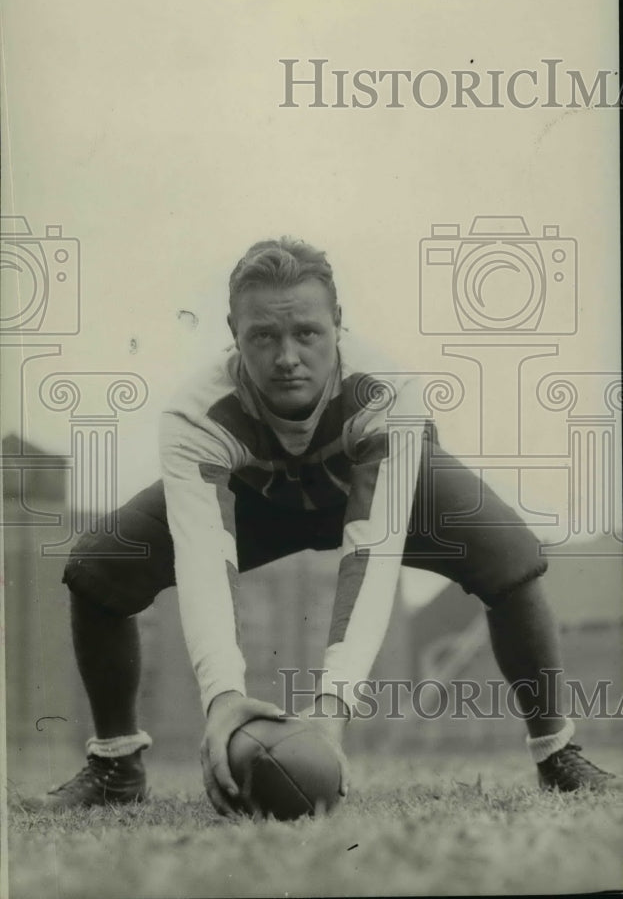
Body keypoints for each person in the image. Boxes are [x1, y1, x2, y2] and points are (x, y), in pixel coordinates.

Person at [23, 237, 620, 814]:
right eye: (263, 335)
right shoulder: (194, 413)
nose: (287, 357)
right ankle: (117, 767)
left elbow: (372, 554)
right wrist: (223, 699)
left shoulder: (385, 391)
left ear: (338, 324)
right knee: (101, 565)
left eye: (306, 332)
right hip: (259, 497)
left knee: (511, 554)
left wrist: (332, 708)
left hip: (376, 489)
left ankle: (556, 751)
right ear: (235, 336)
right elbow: (204, 561)